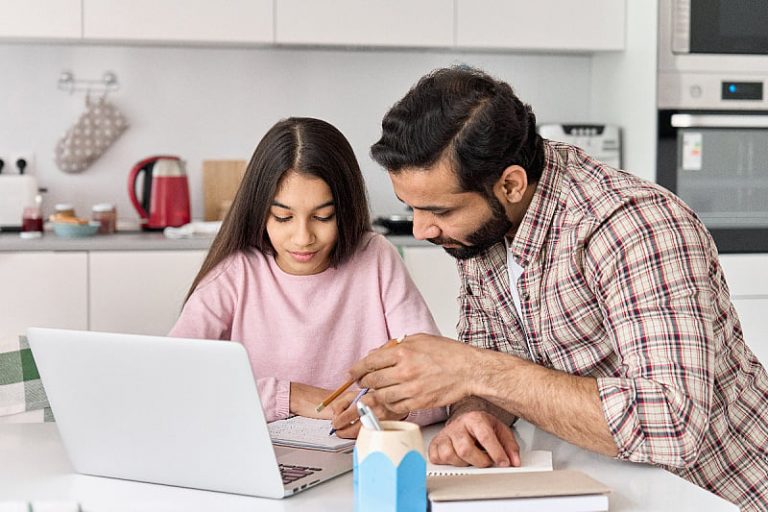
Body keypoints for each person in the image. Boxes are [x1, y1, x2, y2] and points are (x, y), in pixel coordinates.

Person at [348, 66, 768, 510]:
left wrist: (472, 371)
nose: (421, 229)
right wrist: (473, 414)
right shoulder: (482, 232)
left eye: (439, 210)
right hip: (604, 486)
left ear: (511, 184)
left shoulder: (635, 226)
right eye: (410, 208)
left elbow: (673, 425)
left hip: (721, 495)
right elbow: (495, 359)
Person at [170, 117, 445, 436]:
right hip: (261, 458)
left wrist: (392, 409)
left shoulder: (375, 256)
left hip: (358, 455)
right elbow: (173, 378)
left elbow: (438, 382)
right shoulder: (237, 271)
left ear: (345, 210)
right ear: (260, 211)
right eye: (283, 217)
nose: (303, 238)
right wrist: (290, 396)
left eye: (322, 216)